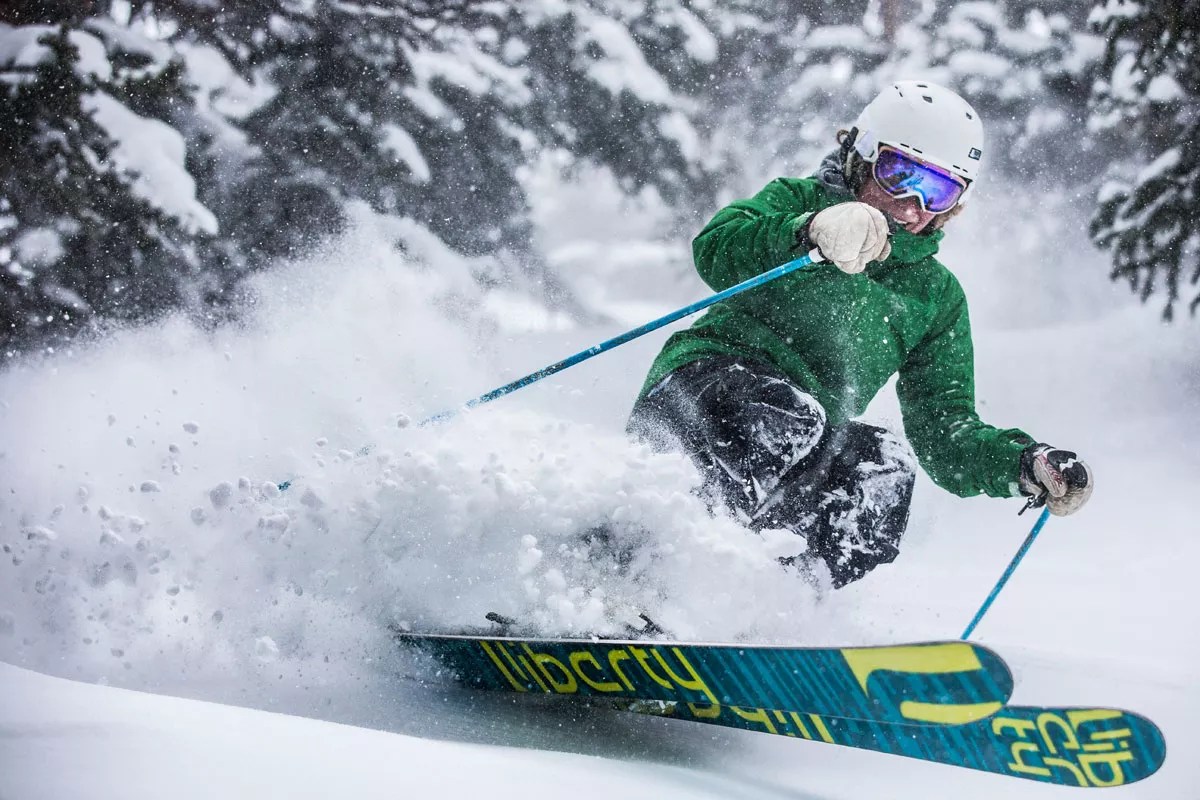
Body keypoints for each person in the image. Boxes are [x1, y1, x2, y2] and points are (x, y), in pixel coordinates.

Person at [628, 81, 1093, 589]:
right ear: (863, 157)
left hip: (802, 438)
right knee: (788, 416)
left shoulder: (934, 296)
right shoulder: (798, 201)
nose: (913, 206)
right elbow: (716, 250)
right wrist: (807, 230)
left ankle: (771, 606)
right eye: (900, 176)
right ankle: (656, 572)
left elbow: (944, 430)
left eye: (938, 190)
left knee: (882, 468)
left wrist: (1022, 462)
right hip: (702, 390)